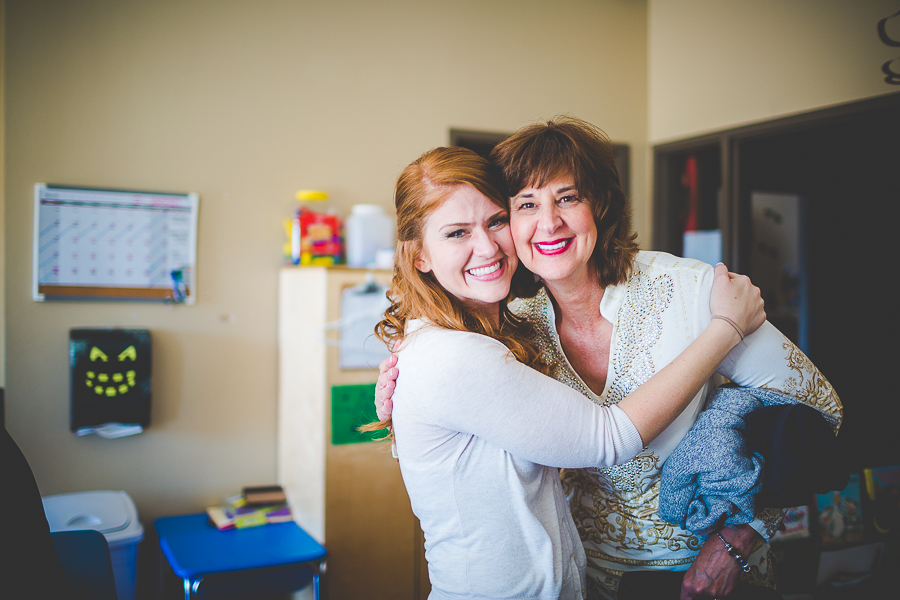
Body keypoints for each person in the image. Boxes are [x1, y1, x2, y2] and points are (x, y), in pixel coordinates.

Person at [375, 117, 842, 600]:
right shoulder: (516, 323)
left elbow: (820, 410)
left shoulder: (692, 291)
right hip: (588, 580)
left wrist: (739, 541)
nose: (549, 221)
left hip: (711, 577)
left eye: (568, 197)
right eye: (525, 205)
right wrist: (402, 390)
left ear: (599, 203)